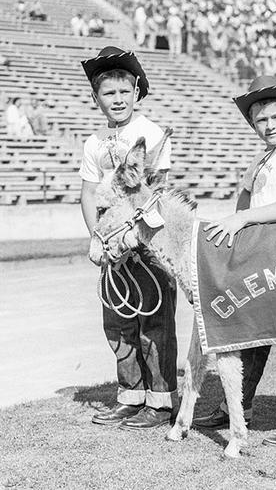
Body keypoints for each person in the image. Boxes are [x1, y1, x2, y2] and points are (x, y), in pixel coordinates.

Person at [192, 75, 276, 447]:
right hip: (262, 257)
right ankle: (237, 407)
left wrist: (245, 218)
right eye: (261, 120)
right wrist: (246, 190)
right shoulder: (264, 160)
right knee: (251, 335)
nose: (269, 125)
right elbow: (243, 209)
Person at [78, 46, 177, 429]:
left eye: (123, 92)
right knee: (118, 321)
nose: (117, 100)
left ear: (136, 93)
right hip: (111, 244)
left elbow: (155, 190)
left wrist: (132, 237)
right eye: (108, 94)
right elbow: (89, 194)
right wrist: (100, 240)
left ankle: (161, 400)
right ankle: (130, 395)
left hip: (144, 238)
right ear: (96, 98)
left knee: (154, 321)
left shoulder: (150, 133)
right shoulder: (94, 142)